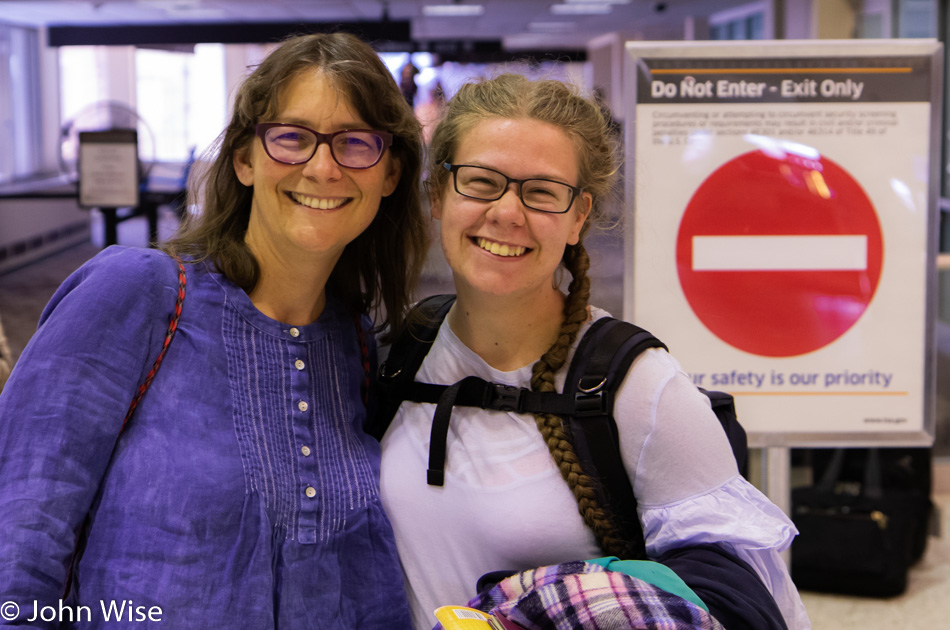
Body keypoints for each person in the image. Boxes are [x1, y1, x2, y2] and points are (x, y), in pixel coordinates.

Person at [0, 32, 426, 628]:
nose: (322, 167)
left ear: (390, 174)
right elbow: (18, 538)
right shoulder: (138, 292)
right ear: (245, 160)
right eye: (293, 138)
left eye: (356, 143)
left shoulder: (353, 342)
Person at [378, 74, 811, 630]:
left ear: (579, 215)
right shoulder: (401, 352)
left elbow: (748, 602)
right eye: (482, 182)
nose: (508, 212)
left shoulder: (640, 389)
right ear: (438, 195)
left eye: (541, 192)